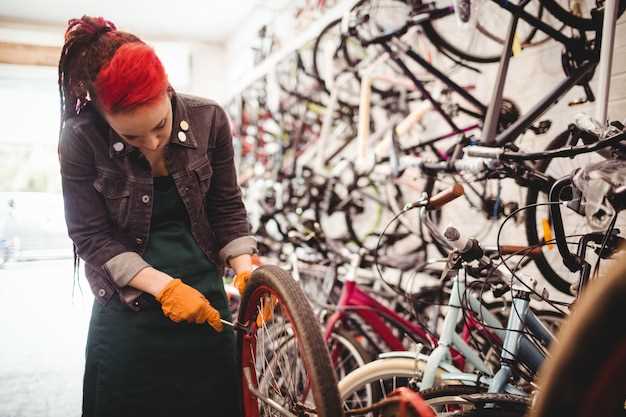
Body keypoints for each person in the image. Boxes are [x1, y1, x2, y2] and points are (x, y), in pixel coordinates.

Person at [57, 16, 258, 417]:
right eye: (131, 137)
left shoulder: (210, 119)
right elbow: (90, 235)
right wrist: (164, 288)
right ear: (100, 113)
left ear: (166, 88)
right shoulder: (80, 139)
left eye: (160, 126)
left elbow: (226, 207)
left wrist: (246, 268)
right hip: (128, 308)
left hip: (205, 303)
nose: (152, 142)